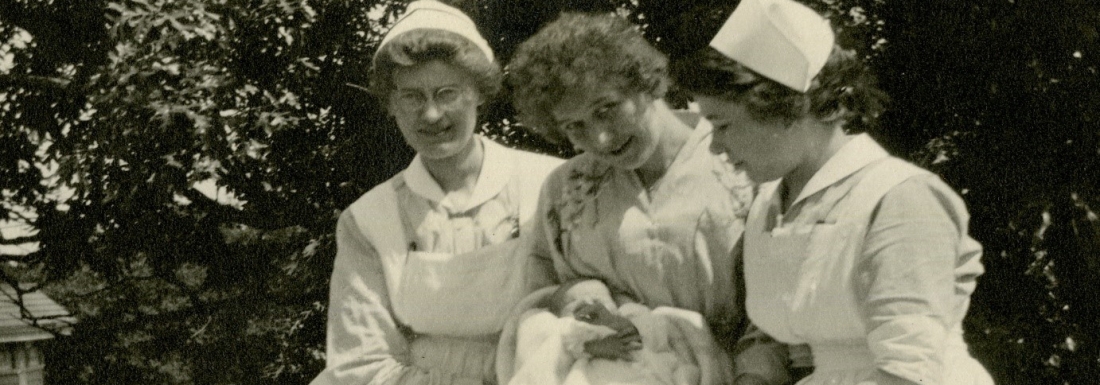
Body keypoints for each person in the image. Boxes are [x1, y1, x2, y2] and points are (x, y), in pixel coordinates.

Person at [672, 0, 996, 384]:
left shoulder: (898, 199)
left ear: (784, 108)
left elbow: (909, 370)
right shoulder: (770, 205)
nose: (715, 148)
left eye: (723, 126)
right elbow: (787, 340)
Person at [507, 12, 791, 385]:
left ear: (644, 83)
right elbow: (540, 303)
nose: (600, 138)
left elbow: (780, 300)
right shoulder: (564, 188)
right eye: (574, 126)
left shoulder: (739, 160)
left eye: (606, 109)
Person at [310, 1, 564, 384]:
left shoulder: (549, 185)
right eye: (412, 97)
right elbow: (360, 362)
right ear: (392, 104)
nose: (430, 115)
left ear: (478, 93)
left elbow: (582, 309)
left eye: (447, 93)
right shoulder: (368, 221)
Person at [508, 279, 706, 385]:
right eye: (576, 305)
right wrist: (590, 347)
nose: (590, 304)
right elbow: (550, 354)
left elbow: (651, 336)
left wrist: (617, 322)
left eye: (600, 300)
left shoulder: (628, 321)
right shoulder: (565, 331)